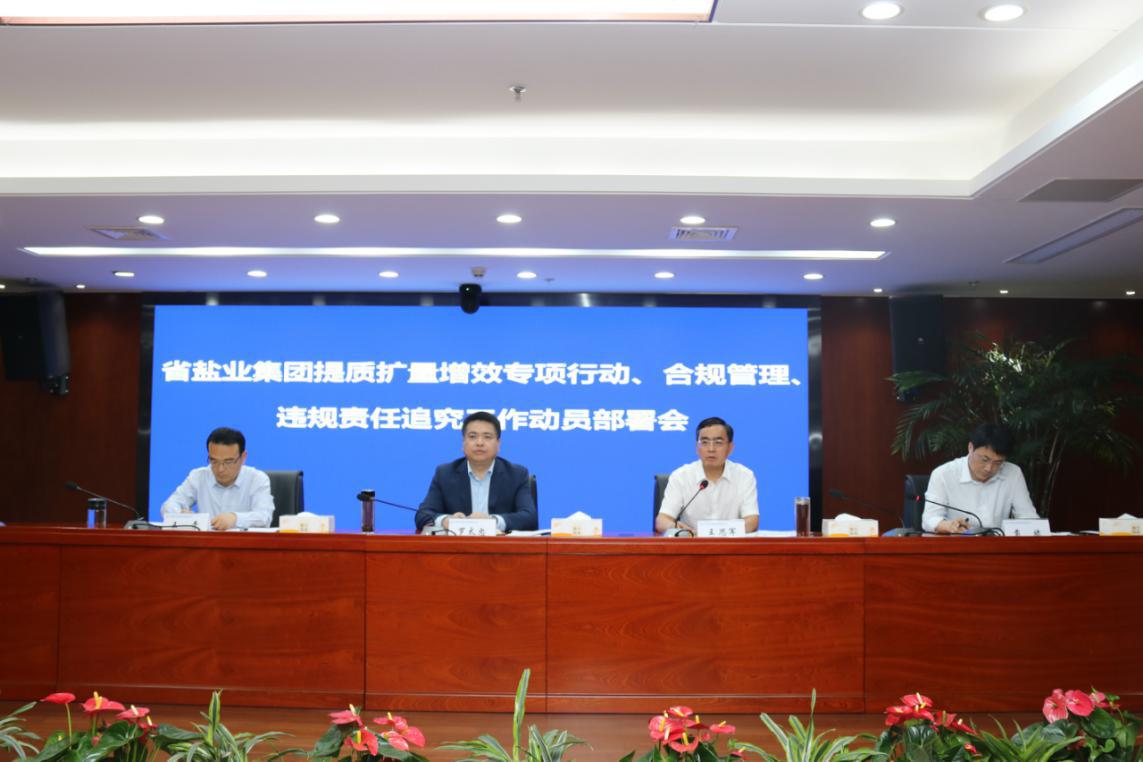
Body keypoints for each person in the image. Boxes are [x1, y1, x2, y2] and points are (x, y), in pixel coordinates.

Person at [415, 411, 538, 533]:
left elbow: (529, 518)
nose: (479, 443)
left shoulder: (516, 474)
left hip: (501, 545)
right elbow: (422, 515)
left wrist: (493, 521)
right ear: (463, 442)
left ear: (498, 444)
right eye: (472, 436)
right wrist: (445, 520)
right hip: (458, 545)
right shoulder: (445, 474)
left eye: (487, 437)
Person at [922, 422, 1038, 534]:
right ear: (970, 448)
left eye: (998, 463)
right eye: (984, 459)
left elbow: (1028, 518)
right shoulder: (943, 474)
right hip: (957, 542)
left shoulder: (1013, 473)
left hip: (997, 544)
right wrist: (949, 526)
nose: (989, 468)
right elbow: (929, 519)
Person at [655, 416, 759, 534]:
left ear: (730, 448)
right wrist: (675, 527)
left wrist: (715, 533)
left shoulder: (744, 476)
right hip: (692, 542)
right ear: (697, 447)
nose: (711, 449)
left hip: (731, 544)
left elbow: (752, 521)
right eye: (704, 442)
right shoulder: (681, 476)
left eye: (718, 442)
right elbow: (662, 521)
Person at [160, 427, 274, 530]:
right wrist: (179, 515)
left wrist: (235, 519)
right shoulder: (198, 476)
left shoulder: (257, 479)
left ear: (243, 457)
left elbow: (264, 517)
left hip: (243, 544)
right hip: (204, 544)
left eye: (228, 462)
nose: (220, 469)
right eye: (214, 461)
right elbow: (168, 505)